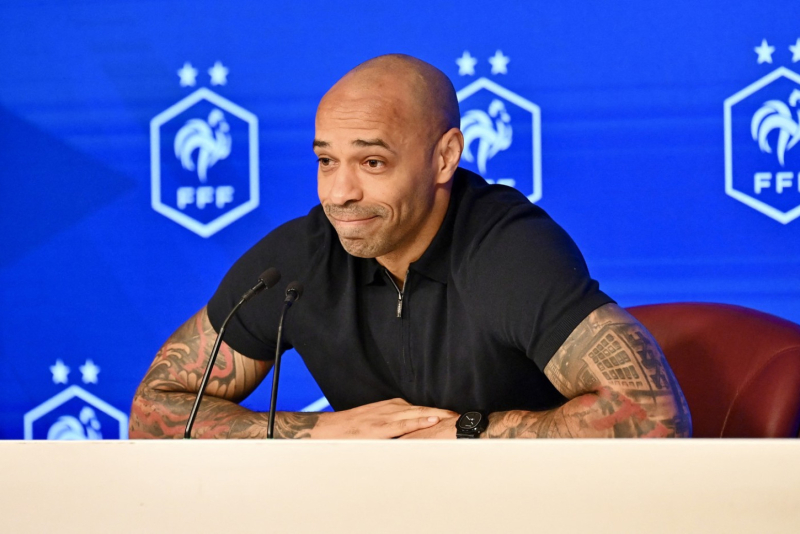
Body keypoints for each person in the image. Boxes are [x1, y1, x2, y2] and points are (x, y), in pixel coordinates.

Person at [130, 54, 691, 440]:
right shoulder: (299, 260)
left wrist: (467, 432)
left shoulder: (508, 250)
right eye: (327, 161)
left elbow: (654, 416)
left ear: (445, 157)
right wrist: (319, 431)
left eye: (372, 162)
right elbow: (154, 408)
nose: (340, 193)